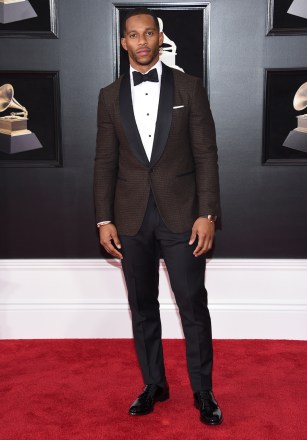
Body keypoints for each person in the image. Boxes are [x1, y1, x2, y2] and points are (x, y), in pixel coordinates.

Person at [94, 7, 223, 426]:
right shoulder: (109, 95)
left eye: (149, 33)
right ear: (124, 42)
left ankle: (203, 391)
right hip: (129, 218)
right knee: (142, 306)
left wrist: (207, 213)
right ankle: (155, 383)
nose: (142, 41)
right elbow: (104, 161)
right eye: (134, 35)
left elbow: (206, 153)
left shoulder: (189, 86)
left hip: (183, 215)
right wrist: (103, 219)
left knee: (192, 305)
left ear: (160, 36)